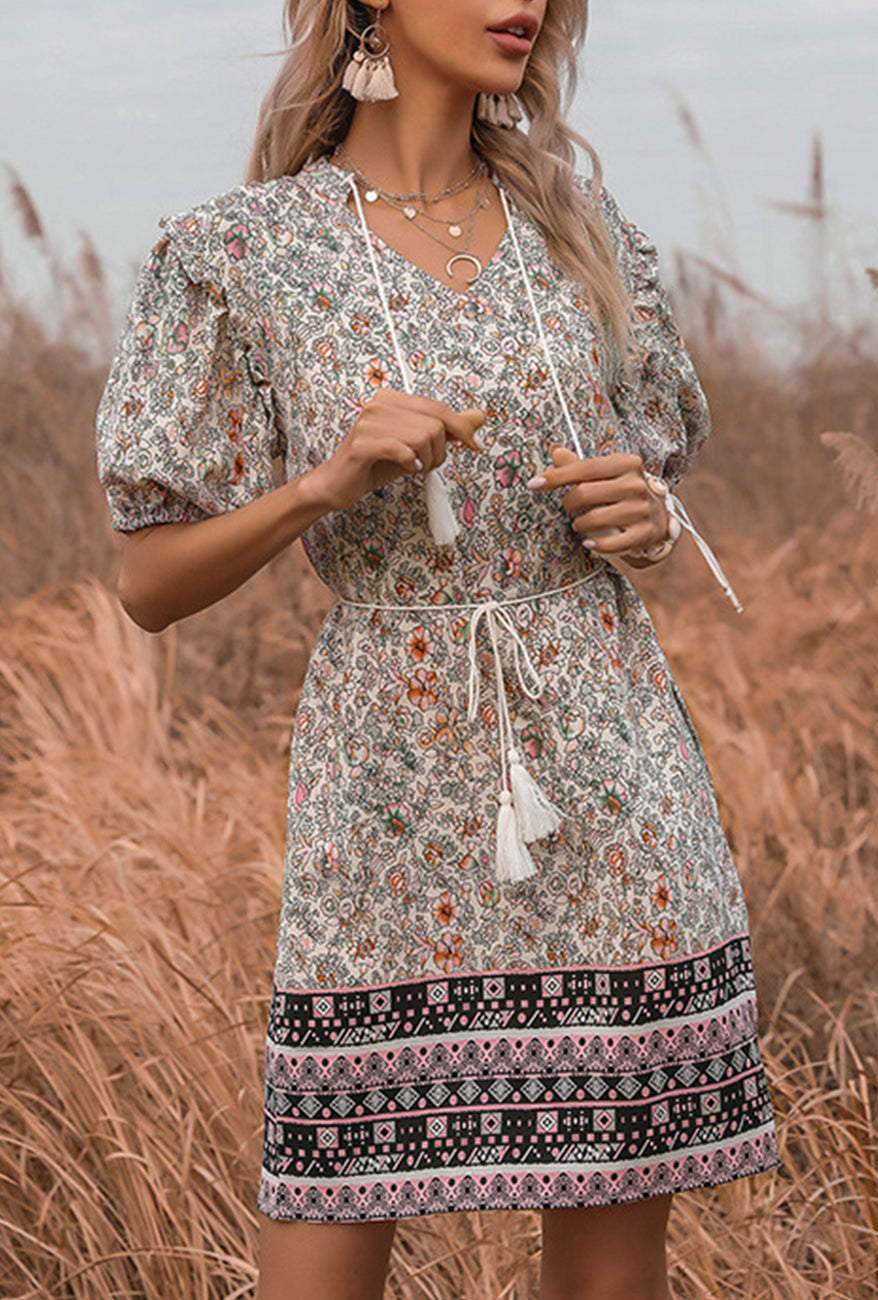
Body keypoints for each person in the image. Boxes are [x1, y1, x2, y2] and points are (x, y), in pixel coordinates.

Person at [96, 1, 780, 1296]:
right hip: (388, 778)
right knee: (334, 1177)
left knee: (613, 1214)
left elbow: (651, 525)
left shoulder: (586, 241)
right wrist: (319, 487)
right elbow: (146, 583)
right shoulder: (237, 253)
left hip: (611, 765)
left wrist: (647, 524)